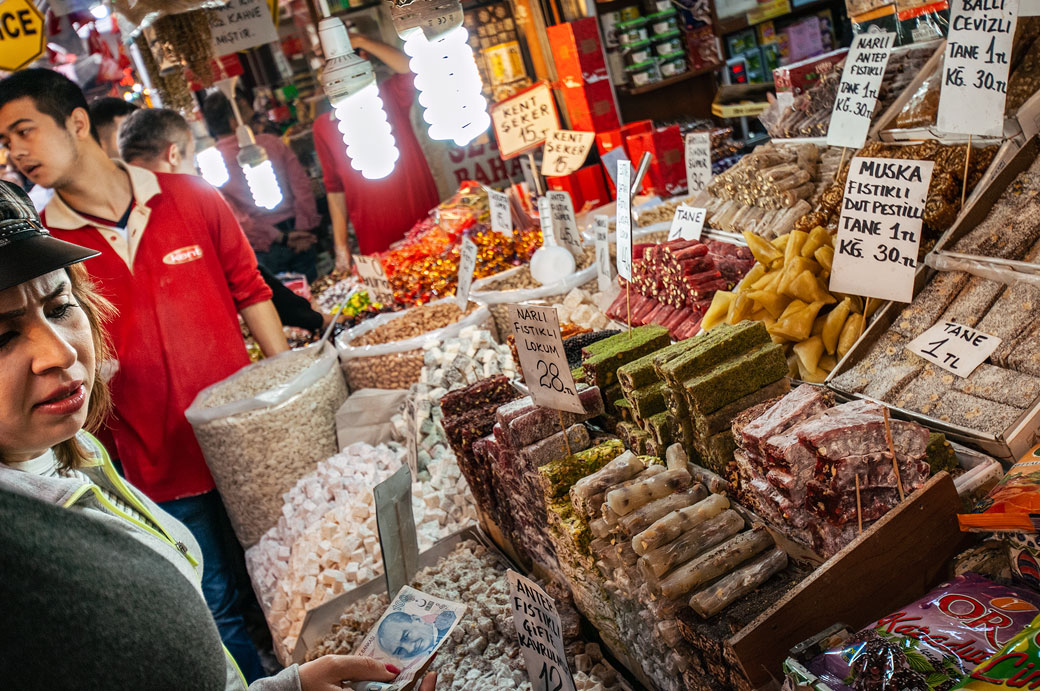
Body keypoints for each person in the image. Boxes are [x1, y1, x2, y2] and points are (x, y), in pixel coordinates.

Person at [0, 184, 436, 691]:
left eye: (58, 308)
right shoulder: (20, 566)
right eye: (2, 335)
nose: (60, 354)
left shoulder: (71, 452)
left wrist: (288, 687)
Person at [0, 68, 288, 682]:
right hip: (156, 458)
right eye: (5, 140)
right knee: (210, 600)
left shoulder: (190, 195)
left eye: (23, 130)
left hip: (248, 442)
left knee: (288, 571)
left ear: (77, 122)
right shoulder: (43, 243)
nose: (16, 152)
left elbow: (251, 289)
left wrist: (285, 391)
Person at [119, 107, 332, 334]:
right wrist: (314, 321)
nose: (195, 171)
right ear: (173, 156)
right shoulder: (194, 201)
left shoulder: (117, 217)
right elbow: (247, 281)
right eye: (191, 159)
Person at [312, 32, 440, 271]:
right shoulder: (323, 126)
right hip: (375, 237)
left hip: (423, 219)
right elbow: (334, 189)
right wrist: (341, 247)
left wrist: (362, 41)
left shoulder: (387, 96)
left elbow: (411, 69)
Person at [202, 90, 321, 281]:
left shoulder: (212, 166)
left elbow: (237, 218)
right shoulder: (271, 144)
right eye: (248, 113)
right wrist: (303, 230)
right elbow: (302, 187)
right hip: (296, 234)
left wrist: (280, 238)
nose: (253, 118)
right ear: (235, 121)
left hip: (265, 246)